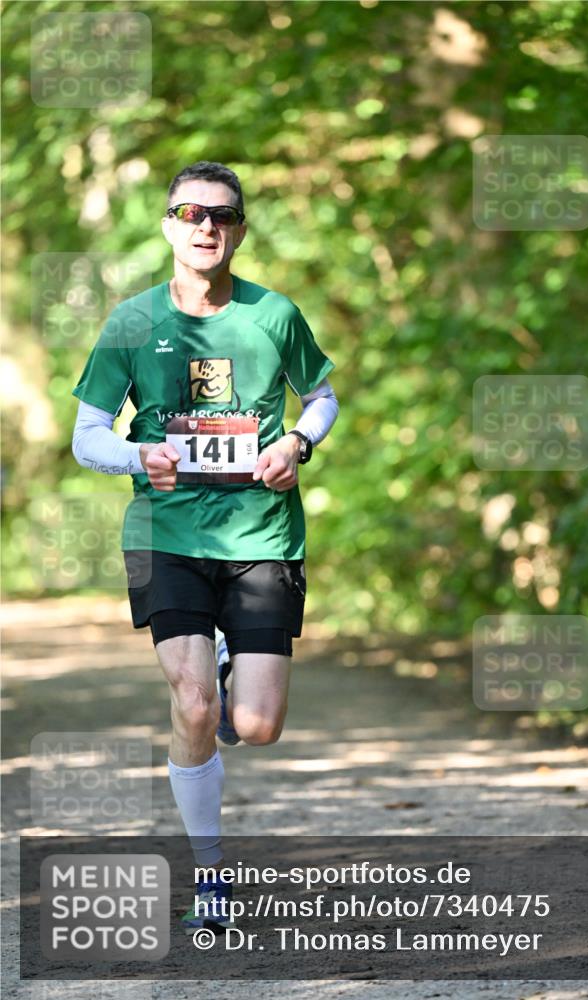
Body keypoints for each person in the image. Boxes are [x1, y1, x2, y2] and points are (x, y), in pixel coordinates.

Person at [71, 161, 338, 933]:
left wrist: (296, 442)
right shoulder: (131, 323)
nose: (206, 226)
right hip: (166, 535)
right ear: (169, 226)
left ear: (240, 229)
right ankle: (212, 875)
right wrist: (137, 456)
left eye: (221, 215)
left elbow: (321, 396)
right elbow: (88, 435)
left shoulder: (274, 315)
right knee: (190, 703)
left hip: (261, 534)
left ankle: (230, 672)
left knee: (254, 726)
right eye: (191, 213)